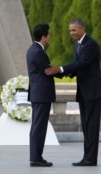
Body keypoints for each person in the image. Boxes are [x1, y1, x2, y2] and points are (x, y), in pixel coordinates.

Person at [45, 18, 101, 166]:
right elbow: (77, 69)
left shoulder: (91, 45)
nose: (71, 33)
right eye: (70, 30)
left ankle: (90, 159)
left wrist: (60, 69)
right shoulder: (77, 46)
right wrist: (56, 72)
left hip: (93, 91)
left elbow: (82, 64)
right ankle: (87, 158)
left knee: (91, 125)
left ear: (82, 29)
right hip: (84, 91)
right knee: (86, 125)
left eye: (74, 30)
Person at [26, 24, 62, 167]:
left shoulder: (33, 49)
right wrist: (67, 71)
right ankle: (36, 158)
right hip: (41, 94)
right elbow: (49, 70)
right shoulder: (37, 52)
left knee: (37, 126)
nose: (50, 36)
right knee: (39, 127)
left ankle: (36, 156)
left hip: (38, 94)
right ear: (44, 36)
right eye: (49, 34)